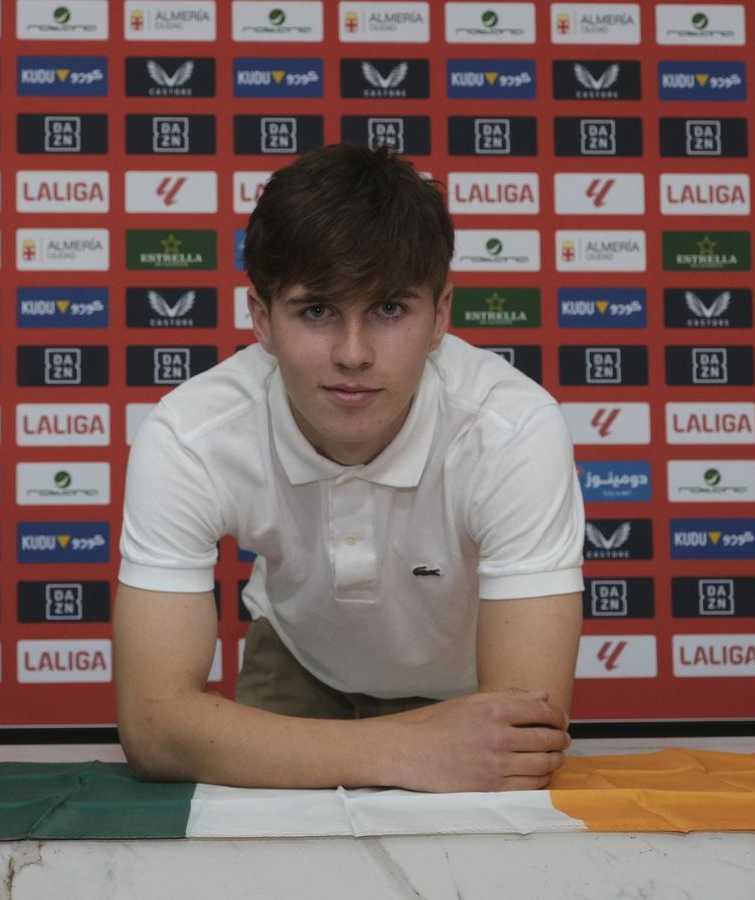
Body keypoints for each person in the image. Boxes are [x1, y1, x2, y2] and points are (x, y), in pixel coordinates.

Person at [112, 143, 586, 793]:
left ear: (441, 315)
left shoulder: (513, 430)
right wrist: (399, 752)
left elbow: (521, 732)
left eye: (389, 309)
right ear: (262, 320)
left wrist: (419, 744)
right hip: (301, 662)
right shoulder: (193, 434)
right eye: (317, 311)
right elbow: (153, 728)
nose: (354, 354)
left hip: (463, 689)